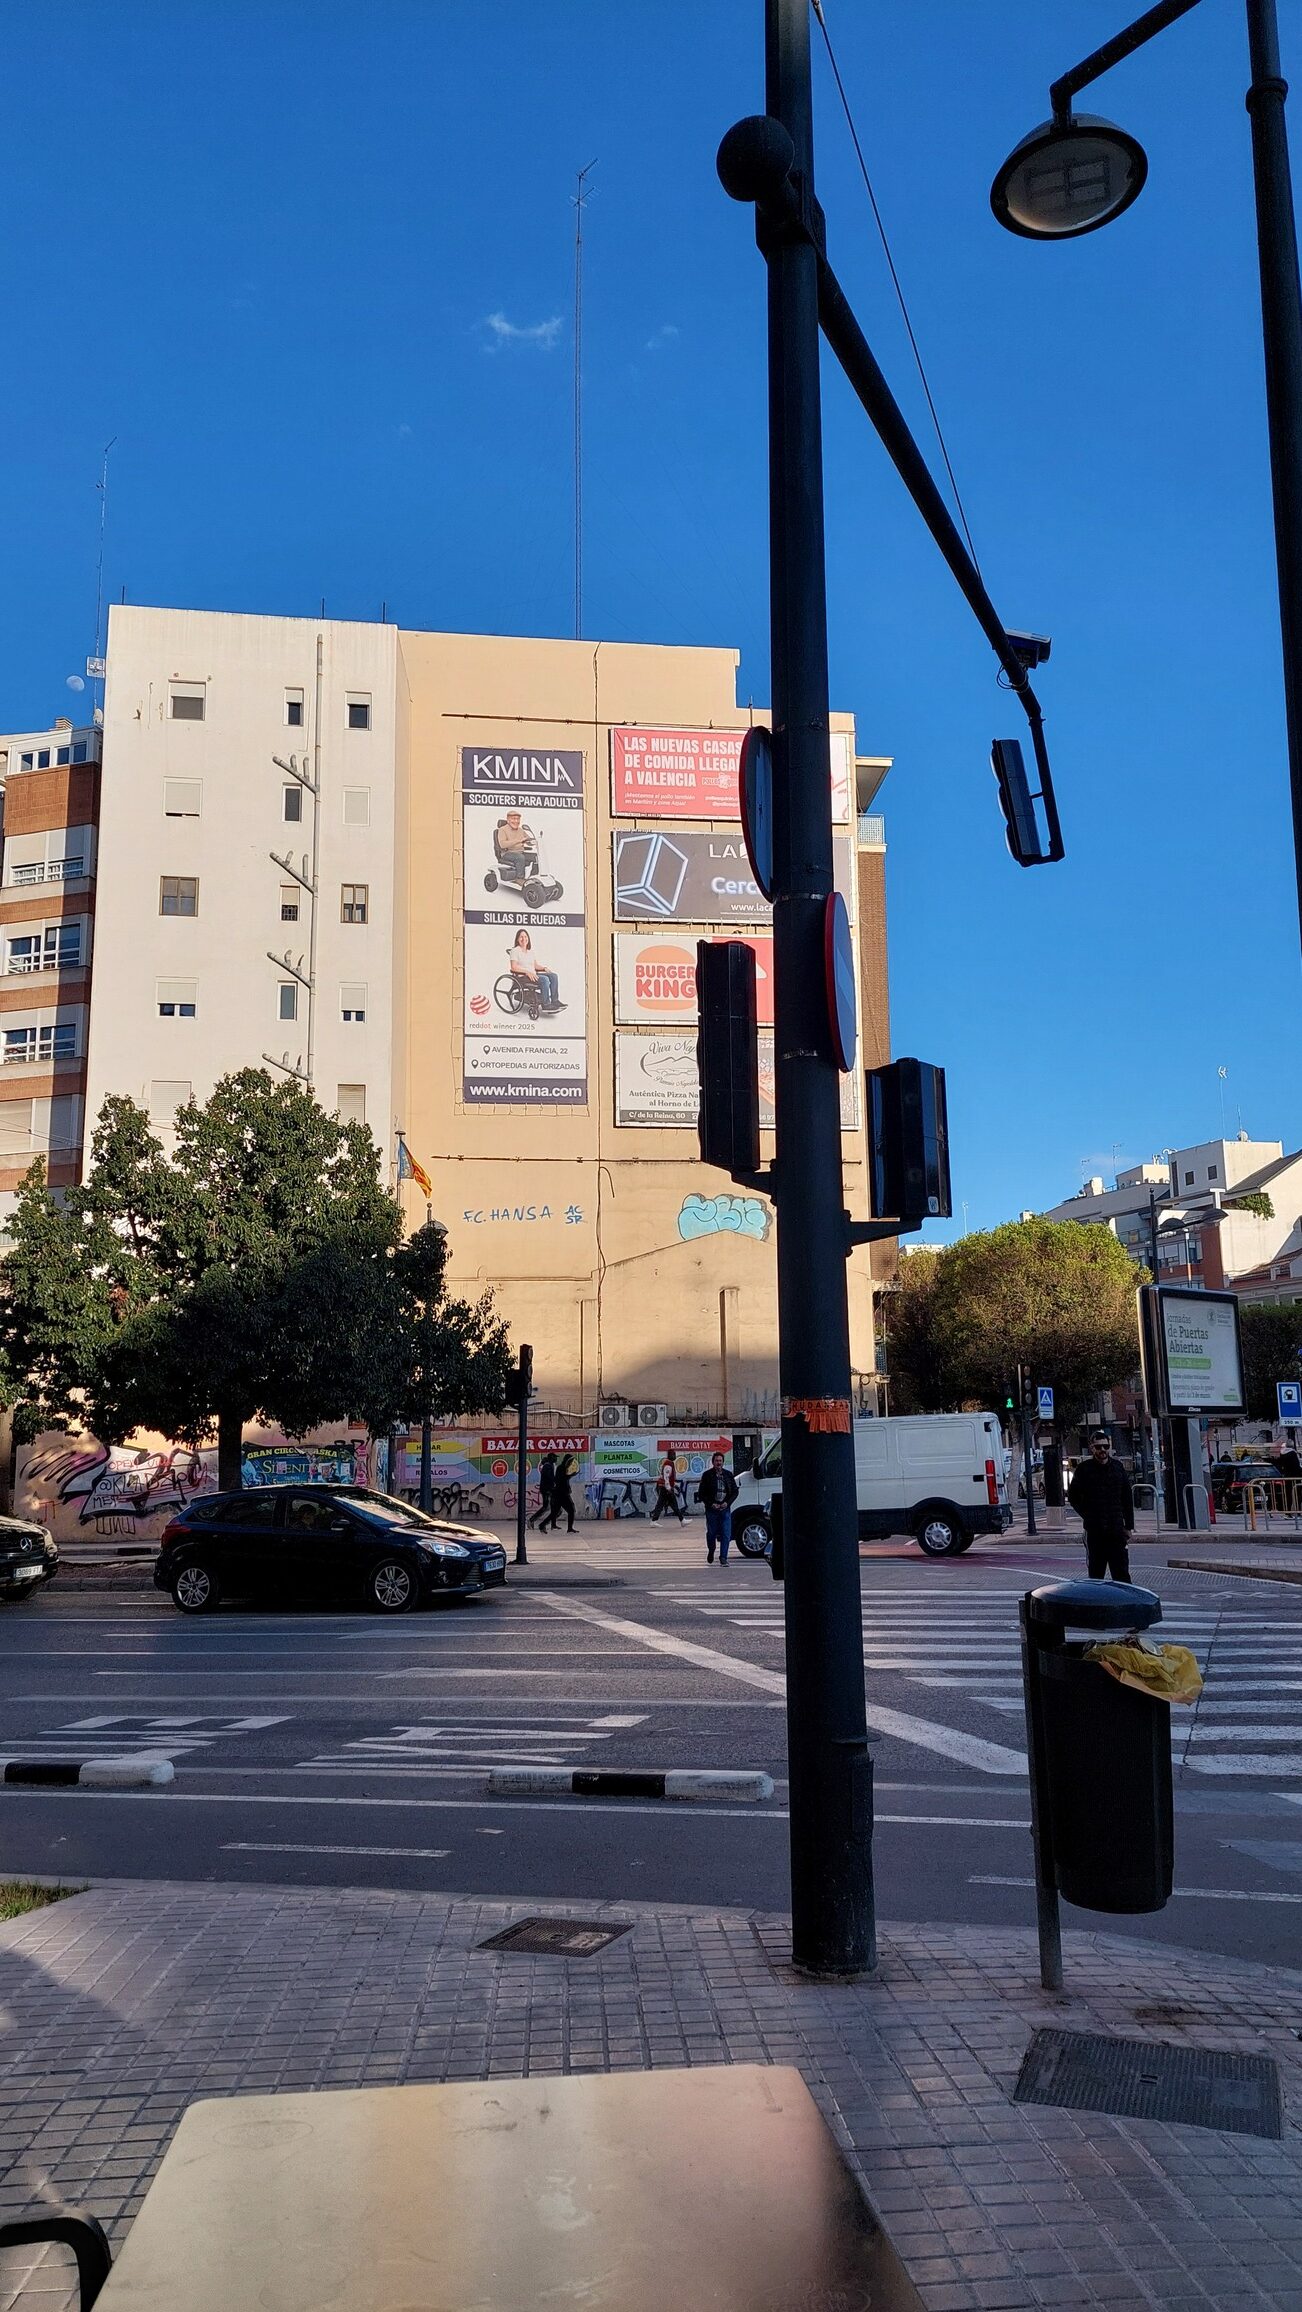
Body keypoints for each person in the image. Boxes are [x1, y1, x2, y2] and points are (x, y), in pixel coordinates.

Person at [1067, 1430, 1135, 1582]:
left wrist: (1129, 1526)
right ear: (1092, 1448)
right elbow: (1073, 1496)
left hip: (1116, 1529)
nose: (1103, 1450)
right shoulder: (1084, 1469)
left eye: (1106, 1446)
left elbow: (1127, 1498)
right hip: (1095, 1531)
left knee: (1122, 1574)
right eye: (1098, 1447)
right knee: (1096, 1575)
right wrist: (1088, 1514)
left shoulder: (1117, 1467)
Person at [509, 928, 565, 1014]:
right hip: (523, 977)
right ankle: (546, 1005)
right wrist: (527, 972)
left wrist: (544, 968)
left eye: (525, 936)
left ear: (528, 938)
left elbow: (535, 966)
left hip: (533, 975)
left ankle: (555, 1001)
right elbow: (513, 967)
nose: (524, 939)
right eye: (521, 937)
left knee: (554, 976)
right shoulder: (515, 950)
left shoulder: (530, 952)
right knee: (545, 979)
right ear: (517, 939)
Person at [697, 1451, 739, 1565]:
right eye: (716, 1461)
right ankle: (711, 1550)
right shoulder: (707, 1475)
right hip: (712, 1509)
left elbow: (735, 1491)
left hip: (725, 1508)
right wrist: (711, 1504)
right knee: (711, 1533)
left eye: (720, 1461)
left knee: (726, 1533)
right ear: (713, 1462)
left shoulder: (728, 1475)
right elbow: (701, 1493)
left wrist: (727, 1503)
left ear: (723, 1462)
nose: (718, 1463)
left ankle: (723, 1557)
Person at [542, 1450, 577, 1534]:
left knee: (555, 1511)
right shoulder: (561, 1468)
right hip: (562, 1494)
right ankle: (569, 1528)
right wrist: (571, 1475)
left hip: (559, 1493)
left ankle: (548, 1525)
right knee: (571, 1510)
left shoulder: (562, 1468)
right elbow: (561, 1479)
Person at [651, 1448, 684, 1524]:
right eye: (674, 1454)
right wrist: (668, 1487)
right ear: (670, 1455)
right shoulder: (668, 1464)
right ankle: (682, 1520)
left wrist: (673, 1485)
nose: (675, 1456)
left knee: (663, 1504)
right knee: (672, 1504)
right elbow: (666, 1477)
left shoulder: (669, 1463)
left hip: (664, 1487)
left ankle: (654, 1520)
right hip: (665, 1488)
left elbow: (669, 1477)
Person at [528, 1451, 556, 1530]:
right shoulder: (548, 1466)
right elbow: (549, 1477)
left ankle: (551, 1524)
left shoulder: (549, 1465)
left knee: (550, 1507)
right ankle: (532, 1520)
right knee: (547, 1507)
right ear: (551, 1458)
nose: (556, 1459)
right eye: (554, 1458)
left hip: (547, 1489)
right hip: (547, 1489)